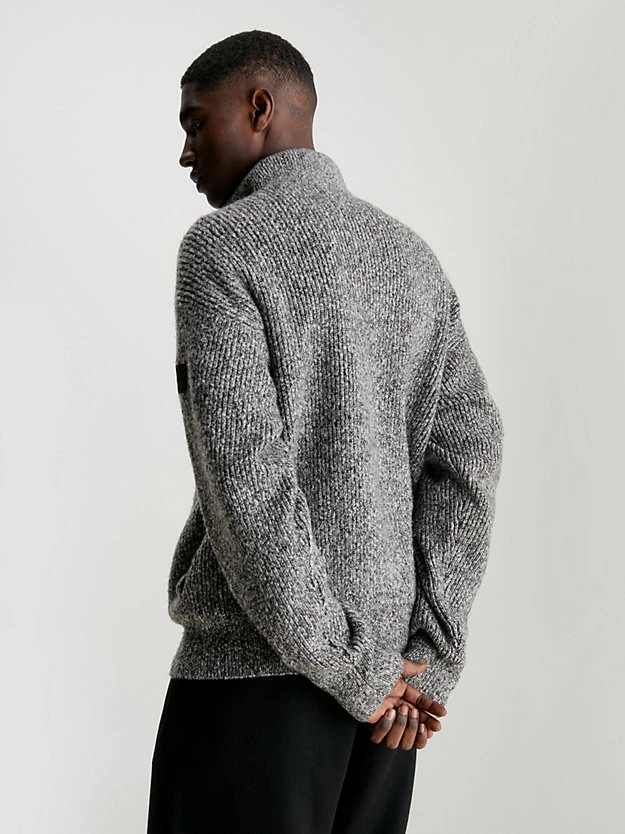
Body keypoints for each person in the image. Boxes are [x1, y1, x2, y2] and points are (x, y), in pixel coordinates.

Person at [147, 28, 504, 834]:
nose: (185, 152)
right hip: (383, 717)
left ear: (260, 108)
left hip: (256, 687)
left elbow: (250, 492)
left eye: (196, 123)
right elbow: (472, 450)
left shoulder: (222, 248)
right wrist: (422, 662)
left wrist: (355, 669)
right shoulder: (411, 259)